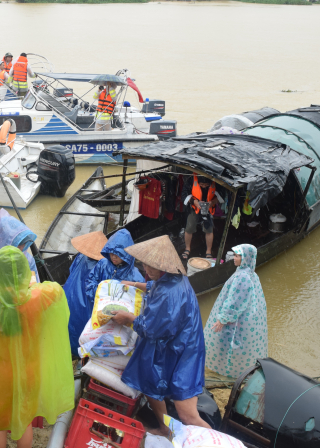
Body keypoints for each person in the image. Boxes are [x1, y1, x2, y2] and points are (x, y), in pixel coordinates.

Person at [0, 246, 74, 448]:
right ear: (24, 272)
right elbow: (56, 290)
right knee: (24, 421)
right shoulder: (37, 299)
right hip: (29, 372)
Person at [111, 235, 209, 435]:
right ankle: (165, 428)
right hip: (180, 341)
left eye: (151, 266)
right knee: (149, 382)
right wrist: (135, 284)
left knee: (187, 413)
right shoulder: (174, 278)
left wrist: (127, 317)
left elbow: (150, 329)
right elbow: (155, 286)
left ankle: (217, 442)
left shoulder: (168, 293)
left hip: (184, 350)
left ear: (163, 267)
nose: (145, 269)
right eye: (144, 264)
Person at [203, 244, 267, 379]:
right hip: (245, 318)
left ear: (246, 258)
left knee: (228, 343)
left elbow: (235, 301)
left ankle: (225, 371)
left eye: (238, 256)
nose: (234, 258)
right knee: (239, 346)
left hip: (235, 320)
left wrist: (223, 319)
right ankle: (235, 370)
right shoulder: (250, 273)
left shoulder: (242, 277)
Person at [62, 231, 108, 355]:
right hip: (86, 304)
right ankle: (82, 354)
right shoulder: (104, 266)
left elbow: (71, 270)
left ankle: (70, 351)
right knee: (84, 328)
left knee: (69, 325)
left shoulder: (80, 257)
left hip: (70, 295)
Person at [85, 229, 145, 301]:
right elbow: (90, 282)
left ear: (126, 254)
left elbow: (141, 298)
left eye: (118, 254)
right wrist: (101, 294)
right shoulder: (102, 264)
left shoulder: (135, 276)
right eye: (111, 253)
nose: (113, 257)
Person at [183, 175, 224, 259]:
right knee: (189, 228)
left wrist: (212, 202)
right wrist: (194, 201)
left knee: (209, 229)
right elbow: (184, 194)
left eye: (206, 185)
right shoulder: (191, 180)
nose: (204, 186)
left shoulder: (216, 180)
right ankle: (187, 248)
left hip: (208, 208)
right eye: (201, 184)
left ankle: (208, 251)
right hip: (194, 208)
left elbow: (222, 195)